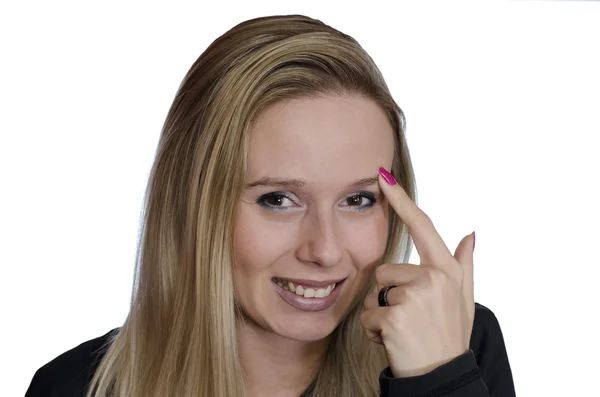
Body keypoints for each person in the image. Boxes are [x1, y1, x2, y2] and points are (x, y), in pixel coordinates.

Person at [25, 14, 516, 397]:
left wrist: (437, 382)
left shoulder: (460, 345)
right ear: (195, 204)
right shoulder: (72, 389)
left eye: (359, 199)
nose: (324, 250)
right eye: (278, 199)